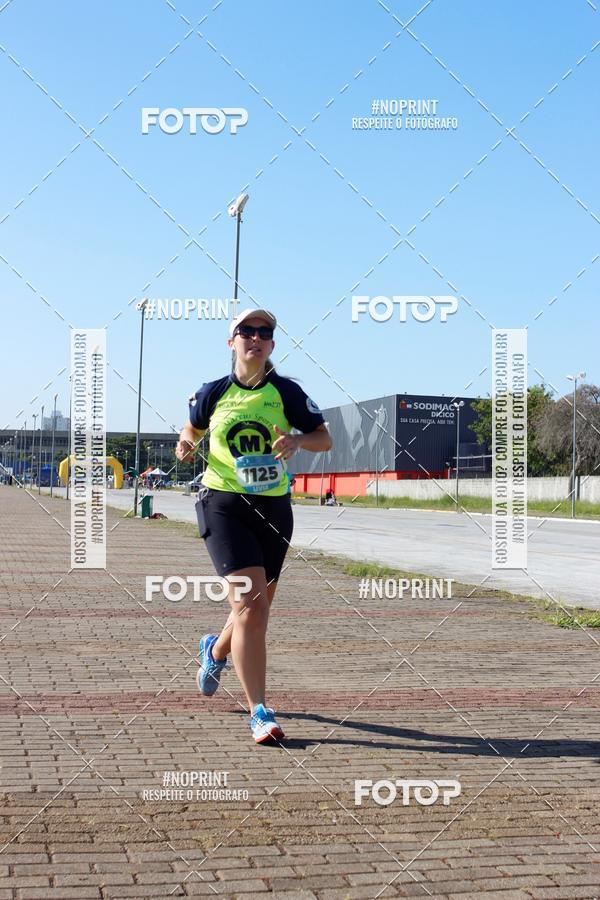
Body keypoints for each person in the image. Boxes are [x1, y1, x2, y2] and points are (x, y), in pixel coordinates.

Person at [176, 309, 332, 744]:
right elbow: (189, 431)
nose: (256, 338)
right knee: (251, 609)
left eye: (264, 333)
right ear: (232, 342)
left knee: (256, 608)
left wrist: (297, 441)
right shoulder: (212, 392)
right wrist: (185, 445)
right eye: (247, 331)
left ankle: (214, 649)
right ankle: (259, 712)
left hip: (273, 510)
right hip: (224, 506)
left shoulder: (286, 392)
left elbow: (324, 438)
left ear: (272, 345)